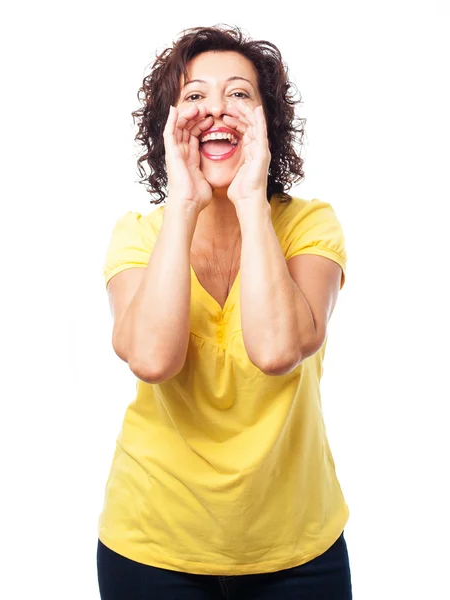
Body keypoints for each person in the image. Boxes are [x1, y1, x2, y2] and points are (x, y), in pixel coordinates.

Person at [96, 24, 353, 600]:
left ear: (269, 123)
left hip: (296, 548)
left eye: (239, 95)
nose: (216, 110)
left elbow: (277, 350)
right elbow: (153, 359)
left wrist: (248, 199)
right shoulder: (138, 236)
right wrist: (184, 202)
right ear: (168, 126)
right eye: (194, 97)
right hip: (151, 545)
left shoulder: (310, 225)